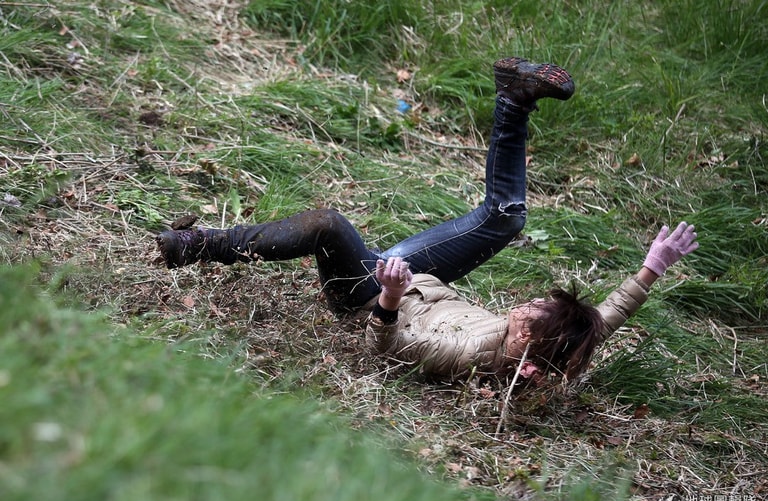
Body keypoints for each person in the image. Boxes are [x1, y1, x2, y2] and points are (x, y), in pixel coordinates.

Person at [156, 57, 699, 384]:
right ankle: (514, 97)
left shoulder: (463, 354)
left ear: (529, 344)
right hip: (422, 281)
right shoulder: (563, 347)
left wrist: (390, 296)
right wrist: (652, 267)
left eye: (534, 312)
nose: (527, 303)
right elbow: (603, 320)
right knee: (506, 219)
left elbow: (385, 349)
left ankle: (194, 246)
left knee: (328, 225)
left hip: (370, 294)